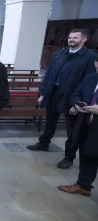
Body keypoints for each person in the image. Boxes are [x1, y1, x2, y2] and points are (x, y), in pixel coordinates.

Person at [27, 29, 96, 169]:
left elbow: (88, 82)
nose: (71, 39)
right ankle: (44, 143)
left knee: (72, 129)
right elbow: (49, 74)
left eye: (75, 37)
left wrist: (77, 102)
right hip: (54, 93)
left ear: (84, 40)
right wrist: (43, 93)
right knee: (50, 121)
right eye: (70, 37)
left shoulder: (90, 57)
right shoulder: (60, 53)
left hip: (72, 97)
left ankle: (69, 157)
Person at [58, 57, 98, 196]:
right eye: (97, 68)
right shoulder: (91, 78)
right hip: (87, 124)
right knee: (87, 155)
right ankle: (83, 185)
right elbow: (76, 93)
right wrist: (77, 103)